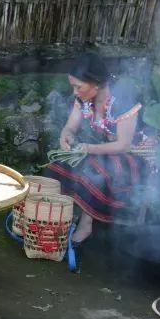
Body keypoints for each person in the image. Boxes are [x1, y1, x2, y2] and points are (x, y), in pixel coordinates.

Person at [46, 53, 150, 243]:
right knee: (59, 162)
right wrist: (65, 135)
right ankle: (59, 216)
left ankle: (86, 225)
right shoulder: (83, 99)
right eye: (73, 86)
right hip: (107, 149)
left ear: (96, 83)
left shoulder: (123, 101)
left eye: (78, 87)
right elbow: (71, 126)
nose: (75, 91)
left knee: (94, 170)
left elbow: (124, 145)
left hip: (135, 155)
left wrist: (86, 147)